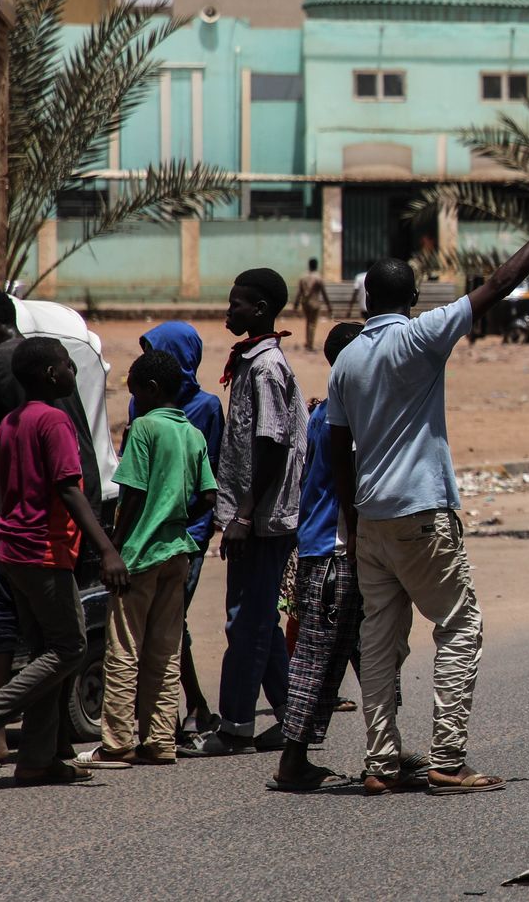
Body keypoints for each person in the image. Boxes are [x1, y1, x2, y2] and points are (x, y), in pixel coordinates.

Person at [328, 170, 529, 796]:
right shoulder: (419, 339)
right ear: (413, 299)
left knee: (380, 642)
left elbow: (337, 448)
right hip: (421, 513)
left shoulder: (345, 361)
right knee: (460, 625)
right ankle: (446, 757)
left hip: (368, 520)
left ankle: (381, 763)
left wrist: (351, 518)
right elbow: (498, 285)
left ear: (365, 304)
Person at [0, 337, 130, 783]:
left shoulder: (12, 422)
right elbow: (70, 489)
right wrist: (106, 548)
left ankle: (37, 760)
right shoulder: (55, 421)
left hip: (10, 551)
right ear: (51, 374)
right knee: (71, 647)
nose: (73, 370)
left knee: (47, 650)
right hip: (42, 551)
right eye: (67, 364)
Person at [273, 322, 406, 791]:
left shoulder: (327, 412)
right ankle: (293, 760)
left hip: (326, 551)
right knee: (320, 658)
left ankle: (385, 749)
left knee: (367, 653)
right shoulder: (342, 420)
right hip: (337, 553)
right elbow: (349, 489)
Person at [183, 269, 308, 756]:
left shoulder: (266, 367)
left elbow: (272, 444)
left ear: (258, 309)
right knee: (257, 620)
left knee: (246, 622)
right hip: (253, 515)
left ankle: (234, 725)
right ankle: (294, 715)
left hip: (263, 519)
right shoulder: (252, 361)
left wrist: (244, 515)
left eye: (236, 304)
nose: (227, 311)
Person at [81, 350, 216, 768]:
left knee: (124, 649)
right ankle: (159, 741)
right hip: (178, 552)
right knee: (165, 650)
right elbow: (208, 496)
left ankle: (117, 743)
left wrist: (114, 547)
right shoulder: (192, 432)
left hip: (139, 554)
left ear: (150, 390)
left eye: (135, 390)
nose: (134, 399)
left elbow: (134, 493)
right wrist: (174, 517)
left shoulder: (143, 428)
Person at [130, 321, 225, 737]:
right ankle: (170, 707)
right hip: (144, 530)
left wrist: (200, 532)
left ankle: (191, 705)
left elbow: (211, 472)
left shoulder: (206, 408)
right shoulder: (141, 403)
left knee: (173, 618)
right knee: (157, 619)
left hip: (187, 531)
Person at [295, 258, 333, 352]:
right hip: (315, 302)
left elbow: (299, 291)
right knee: (312, 323)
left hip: (305, 303)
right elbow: (323, 292)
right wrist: (329, 305)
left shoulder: (303, 277)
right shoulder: (318, 277)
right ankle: (310, 344)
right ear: (316, 265)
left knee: (308, 322)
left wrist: (296, 303)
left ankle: (308, 341)